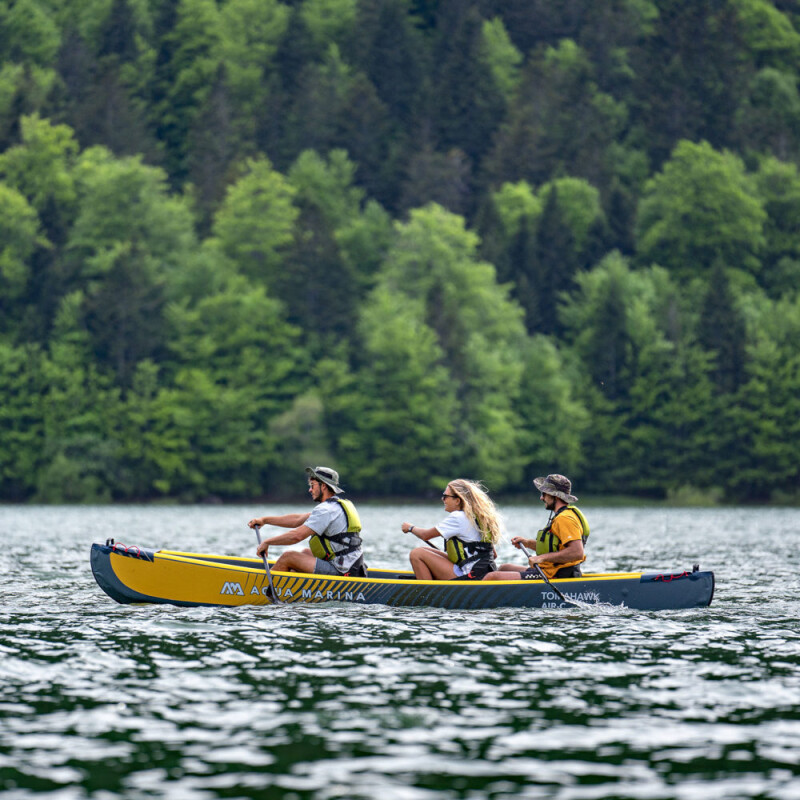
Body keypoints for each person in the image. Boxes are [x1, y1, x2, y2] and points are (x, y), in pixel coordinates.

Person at [247, 466, 367, 577]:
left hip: (343, 570)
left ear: (323, 486)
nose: (310, 490)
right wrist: (265, 520)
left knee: (288, 557)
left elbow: (296, 536)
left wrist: (267, 542)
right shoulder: (334, 506)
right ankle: (291, 589)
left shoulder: (325, 510)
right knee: (305, 553)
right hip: (353, 566)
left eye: (312, 485)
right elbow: (297, 520)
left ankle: (263, 590)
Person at [483, 473, 589, 581]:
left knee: (492, 577)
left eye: (544, 494)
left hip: (556, 575)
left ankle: (473, 597)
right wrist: (527, 543)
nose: (541, 497)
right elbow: (554, 547)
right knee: (503, 568)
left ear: (555, 496)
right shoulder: (561, 516)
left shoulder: (565, 518)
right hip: (549, 571)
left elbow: (577, 552)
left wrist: (541, 558)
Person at [401, 479, 502, 580]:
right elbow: (494, 554)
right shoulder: (480, 517)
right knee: (424, 550)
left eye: (445, 496)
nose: (442, 499)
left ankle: (428, 593)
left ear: (458, 500)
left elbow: (425, 535)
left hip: (470, 576)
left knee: (417, 553)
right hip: (484, 571)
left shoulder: (458, 517)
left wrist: (410, 528)